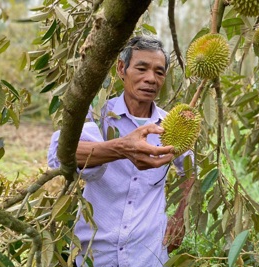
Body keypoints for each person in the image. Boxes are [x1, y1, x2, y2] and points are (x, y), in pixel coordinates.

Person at [48, 36, 194, 267]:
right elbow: (60, 155)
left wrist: (180, 215)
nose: (150, 79)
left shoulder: (172, 123)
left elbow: (189, 169)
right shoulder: (96, 115)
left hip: (146, 252)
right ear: (121, 69)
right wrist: (122, 148)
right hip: (94, 252)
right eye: (142, 68)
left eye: (159, 72)